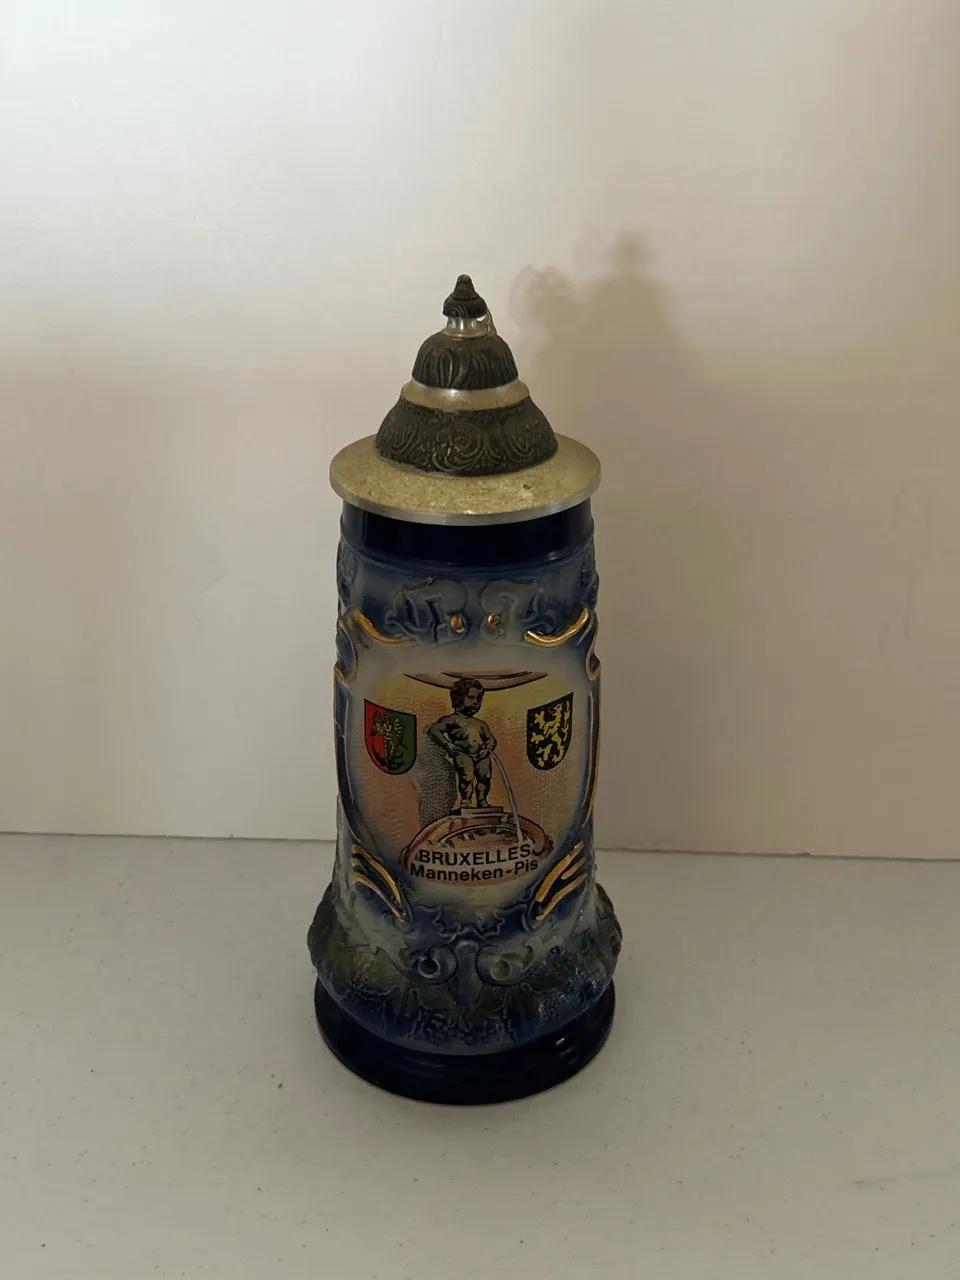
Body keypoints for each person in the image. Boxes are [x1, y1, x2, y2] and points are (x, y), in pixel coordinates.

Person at [426, 677, 497, 809]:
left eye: (479, 699)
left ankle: (482, 800)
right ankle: (466, 801)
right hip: (463, 754)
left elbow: (491, 739)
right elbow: (433, 730)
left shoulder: (480, 724)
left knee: (485, 777)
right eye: (471, 698)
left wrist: (487, 749)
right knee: (466, 777)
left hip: (482, 755)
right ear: (459, 698)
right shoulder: (452, 719)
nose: (476, 702)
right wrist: (447, 744)